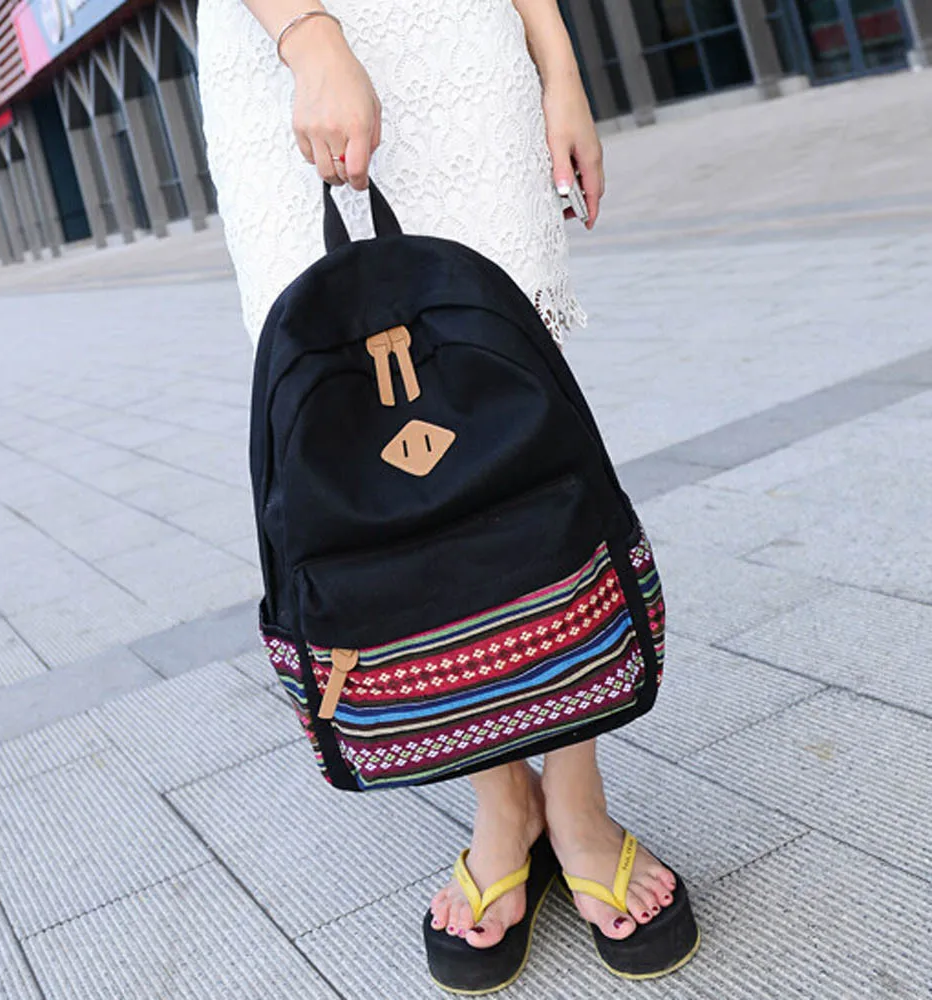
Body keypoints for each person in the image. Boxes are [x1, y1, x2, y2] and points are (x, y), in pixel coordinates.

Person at [197, 0, 695, 989]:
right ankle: (503, 799)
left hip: (456, 45)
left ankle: (576, 798)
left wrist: (558, 66)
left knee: (516, 425)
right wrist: (309, 37)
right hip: (275, 56)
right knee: (363, 447)